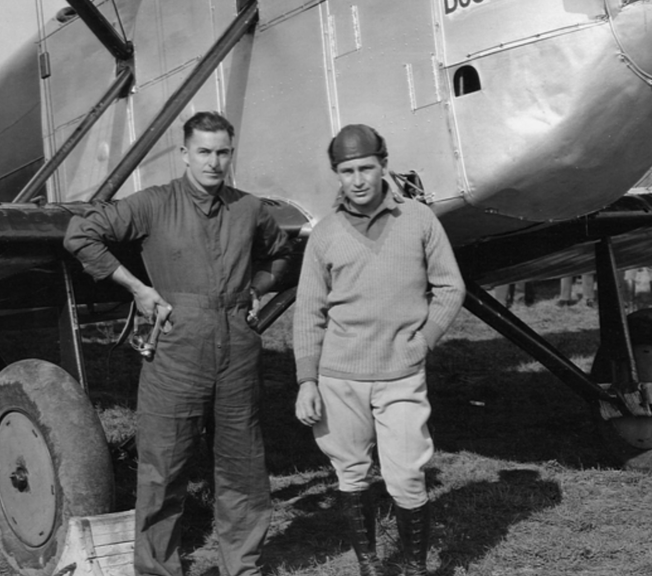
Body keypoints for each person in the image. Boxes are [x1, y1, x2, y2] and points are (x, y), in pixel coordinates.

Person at [64, 111, 291, 576]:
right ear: (185, 154)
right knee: (163, 467)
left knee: (242, 465)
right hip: (176, 347)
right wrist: (137, 288)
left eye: (222, 152)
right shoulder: (152, 204)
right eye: (203, 152)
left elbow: (282, 252)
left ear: (231, 154)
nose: (213, 162)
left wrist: (256, 288)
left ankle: (241, 566)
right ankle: (157, 569)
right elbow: (80, 234)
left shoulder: (249, 209)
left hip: (238, 347)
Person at [292, 124, 466, 576]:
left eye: (366, 167)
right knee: (350, 475)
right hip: (339, 377)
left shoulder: (419, 220)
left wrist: (423, 341)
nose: (358, 179)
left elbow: (450, 287)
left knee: (406, 476)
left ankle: (414, 568)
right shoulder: (324, 234)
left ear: (383, 165)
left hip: (400, 375)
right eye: (347, 170)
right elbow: (308, 312)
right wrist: (306, 381)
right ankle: (370, 566)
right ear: (337, 174)